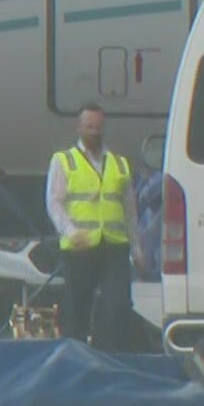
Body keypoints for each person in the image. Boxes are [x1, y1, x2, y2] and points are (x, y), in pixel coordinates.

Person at [44, 103, 144, 350]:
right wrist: (70, 232)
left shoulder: (119, 164)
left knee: (117, 306)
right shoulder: (64, 161)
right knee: (76, 309)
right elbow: (54, 202)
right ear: (79, 129)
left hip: (114, 246)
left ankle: (110, 356)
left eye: (98, 127)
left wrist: (137, 247)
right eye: (89, 127)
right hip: (80, 248)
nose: (94, 132)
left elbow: (129, 209)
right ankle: (75, 358)